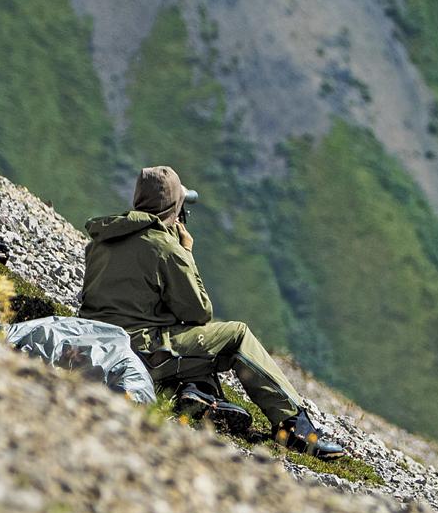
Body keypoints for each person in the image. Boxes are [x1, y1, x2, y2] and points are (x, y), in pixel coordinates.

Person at [79, 166, 347, 459]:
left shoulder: (101, 241)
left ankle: (199, 395)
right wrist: (186, 254)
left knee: (185, 338)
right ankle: (297, 428)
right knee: (234, 336)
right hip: (141, 350)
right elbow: (198, 312)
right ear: (174, 208)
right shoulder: (165, 248)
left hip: (99, 344)